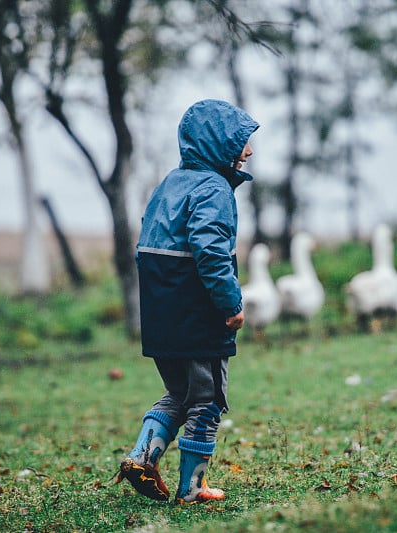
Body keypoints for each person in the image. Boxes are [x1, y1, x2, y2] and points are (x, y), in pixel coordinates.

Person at [117, 99, 258, 504]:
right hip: (195, 311)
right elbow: (210, 251)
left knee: (179, 393)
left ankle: (142, 458)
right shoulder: (213, 188)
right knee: (208, 400)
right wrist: (230, 303)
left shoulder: (170, 183)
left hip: (161, 311)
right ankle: (192, 489)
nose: (248, 151)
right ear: (217, 144)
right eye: (241, 142)